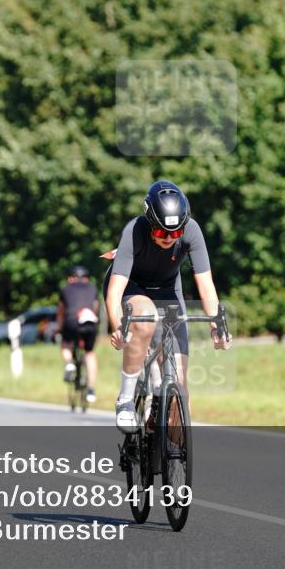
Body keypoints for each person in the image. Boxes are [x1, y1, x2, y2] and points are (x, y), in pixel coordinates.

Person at [105, 181, 231, 433]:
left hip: (168, 291)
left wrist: (218, 324)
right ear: (151, 224)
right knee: (147, 317)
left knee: (180, 391)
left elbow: (206, 285)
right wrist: (118, 326)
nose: (169, 238)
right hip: (133, 288)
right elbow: (114, 292)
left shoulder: (192, 230)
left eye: (175, 234)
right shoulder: (134, 231)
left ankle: (166, 445)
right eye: (162, 233)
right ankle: (126, 401)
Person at [58, 265, 100, 403]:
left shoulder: (65, 289)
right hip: (89, 323)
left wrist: (59, 328)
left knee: (66, 342)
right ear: (87, 278)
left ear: (71, 278)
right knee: (89, 353)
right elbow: (95, 307)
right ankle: (91, 390)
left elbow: (61, 312)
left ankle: (69, 363)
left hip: (71, 321)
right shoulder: (92, 288)